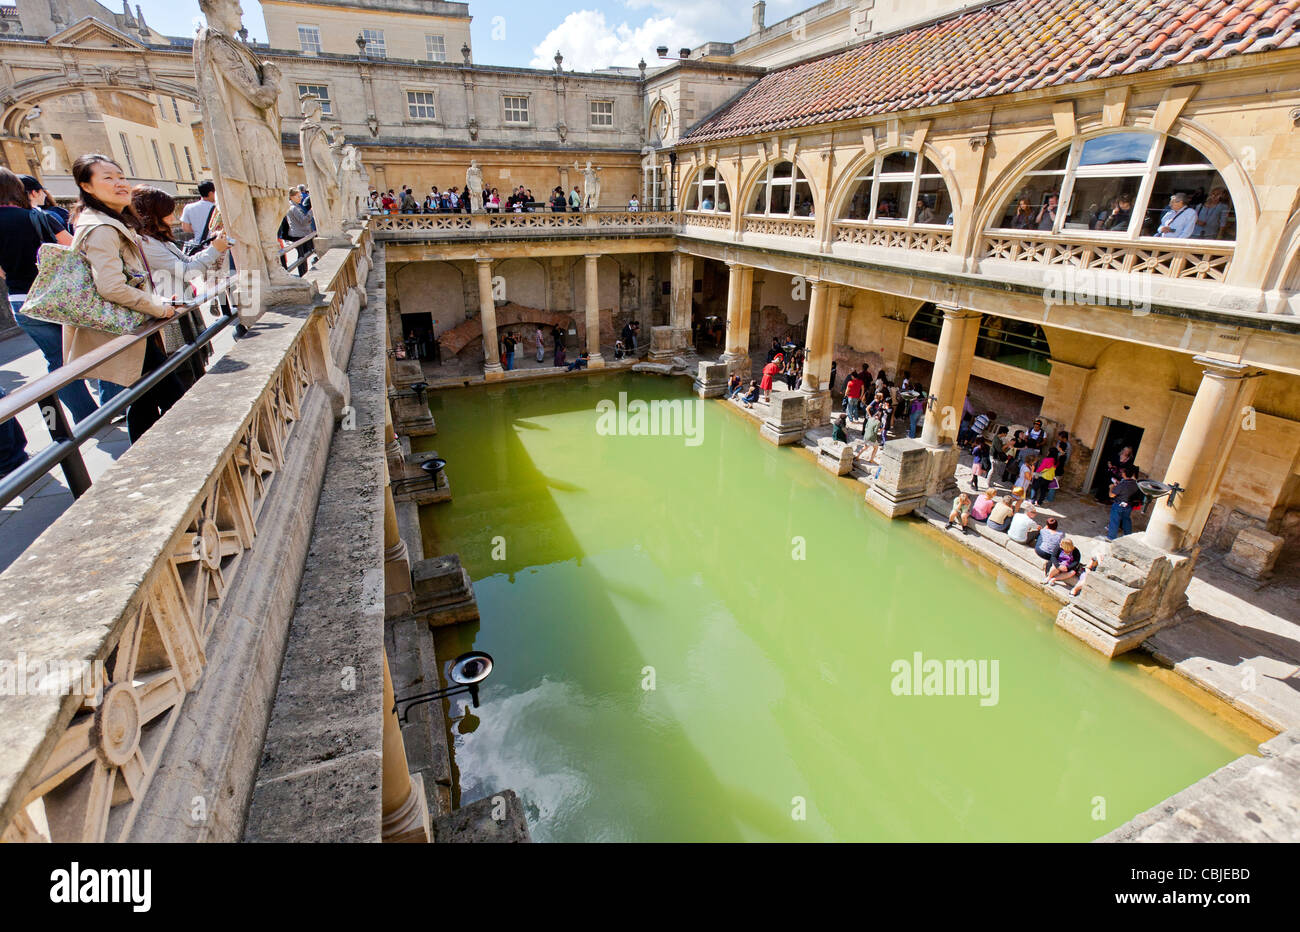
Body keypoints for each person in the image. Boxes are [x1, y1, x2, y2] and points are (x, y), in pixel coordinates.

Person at [62, 154, 184, 443]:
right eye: (107, 178)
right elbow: (111, 287)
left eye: (120, 176)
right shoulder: (101, 227)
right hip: (126, 327)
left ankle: (154, 459)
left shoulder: (109, 221)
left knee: (145, 399)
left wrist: (158, 304)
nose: (119, 183)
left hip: (131, 325)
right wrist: (158, 307)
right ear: (87, 187)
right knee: (170, 397)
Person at [1, 167, 103, 423]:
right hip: (60, 294)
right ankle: (114, 405)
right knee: (97, 346)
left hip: (21, 300)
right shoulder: (38, 217)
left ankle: (85, 416)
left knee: (56, 360)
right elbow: (75, 250)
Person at [130, 185, 231, 384]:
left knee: (193, 365)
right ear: (153, 214)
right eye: (167, 213)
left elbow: (185, 263)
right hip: (168, 315)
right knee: (183, 371)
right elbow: (188, 271)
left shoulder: (157, 240)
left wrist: (212, 247)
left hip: (178, 308)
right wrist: (214, 251)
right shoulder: (145, 243)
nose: (173, 218)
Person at [284, 188, 315, 275]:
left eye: (301, 196)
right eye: (298, 196)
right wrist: (311, 211)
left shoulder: (295, 206)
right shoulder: (293, 208)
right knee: (302, 257)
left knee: (303, 256)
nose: (301, 197)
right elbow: (304, 221)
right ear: (292, 197)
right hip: (299, 235)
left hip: (299, 233)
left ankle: (304, 273)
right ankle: (303, 274)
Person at [1107, 463, 1143, 540]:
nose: (1121, 473)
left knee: (1114, 521)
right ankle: (1128, 537)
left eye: (1123, 472)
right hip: (1128, 506)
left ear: (1125, 474)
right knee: (1126, 520)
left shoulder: (1122, 485)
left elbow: (1111, 495)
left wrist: (1111, 487)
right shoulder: (1136, 484)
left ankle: (1111, 538)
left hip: (1118, 505)